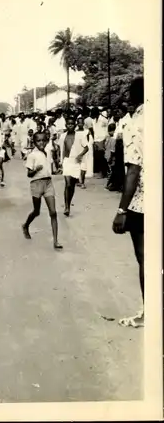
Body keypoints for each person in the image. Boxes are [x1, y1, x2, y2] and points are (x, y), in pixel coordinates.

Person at [112, 76, 144, 328]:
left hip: (143, 202)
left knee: (146, 258)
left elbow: (133, 171)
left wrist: (122, 209)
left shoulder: (136, 123)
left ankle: (149, 312)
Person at [22, 131, 63, 249]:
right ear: (34, 142)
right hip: (36, 184)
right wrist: (35, 170)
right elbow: (29, 174)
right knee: (36, 211)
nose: (41, 143)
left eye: (43, 140)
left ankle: (56, 241)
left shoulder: (47, 151)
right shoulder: (32, 155)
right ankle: (26, 225)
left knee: (53, 212)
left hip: (48, 183)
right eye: (38, 141)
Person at [59, 116, 89, 216]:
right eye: (68, 124)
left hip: (75, 162)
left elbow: (86, 147)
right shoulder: (63, 136)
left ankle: (68, 202)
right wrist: (61, 162)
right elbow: (62, 149)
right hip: (67, 161)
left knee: (71, 185)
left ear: (75, 125)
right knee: (67, 184)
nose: (70, 126)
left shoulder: (80, 136)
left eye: (72, 124)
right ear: (66, 125)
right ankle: (67, 207)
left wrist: (80, 155)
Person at [76, 116, 94, 188]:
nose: (80, 124)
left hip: (84, 150)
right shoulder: (75, 132)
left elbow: (90, 140)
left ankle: (82, 182)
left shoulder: (87, 131)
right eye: (79, 123)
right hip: (77, 150)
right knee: (77, 167)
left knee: (83, 167)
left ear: (83, 123)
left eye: (81, 123)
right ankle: (77, 180)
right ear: (77, 124)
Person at [91, 107, 108, 178]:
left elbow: (106, 131)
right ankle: (99, 172)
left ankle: (103, 173)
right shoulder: (94, 120)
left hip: (102, 140)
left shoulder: (104, 120)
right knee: (97, 157)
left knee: (102, 157)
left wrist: (104, 140)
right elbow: (95, 131)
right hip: (96, 140)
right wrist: (94, 141)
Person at [104, 123, 117, 190]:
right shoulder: (110, 138)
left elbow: (111, 150)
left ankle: (109, 184)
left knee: (110, 172)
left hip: (109, 157)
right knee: (111, 171)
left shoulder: (110, 139)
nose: (110, 132)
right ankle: (109, 184)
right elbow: (111, 150)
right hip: (109, 157)